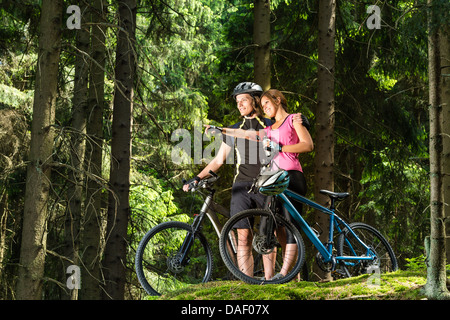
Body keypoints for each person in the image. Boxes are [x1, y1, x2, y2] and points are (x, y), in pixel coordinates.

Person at [260, 89, 314, 280]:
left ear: (278, 100)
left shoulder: (293, 119)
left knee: (291, 225)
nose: (264, 108)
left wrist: (281, 147)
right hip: (273, 179)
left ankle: (285, 275)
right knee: (266, 226)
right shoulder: (268, 130)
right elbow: (245, 134)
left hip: (291, 176)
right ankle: (268, 279)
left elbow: (308, 144)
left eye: (266, 103)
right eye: (262, 106)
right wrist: (222, 130)